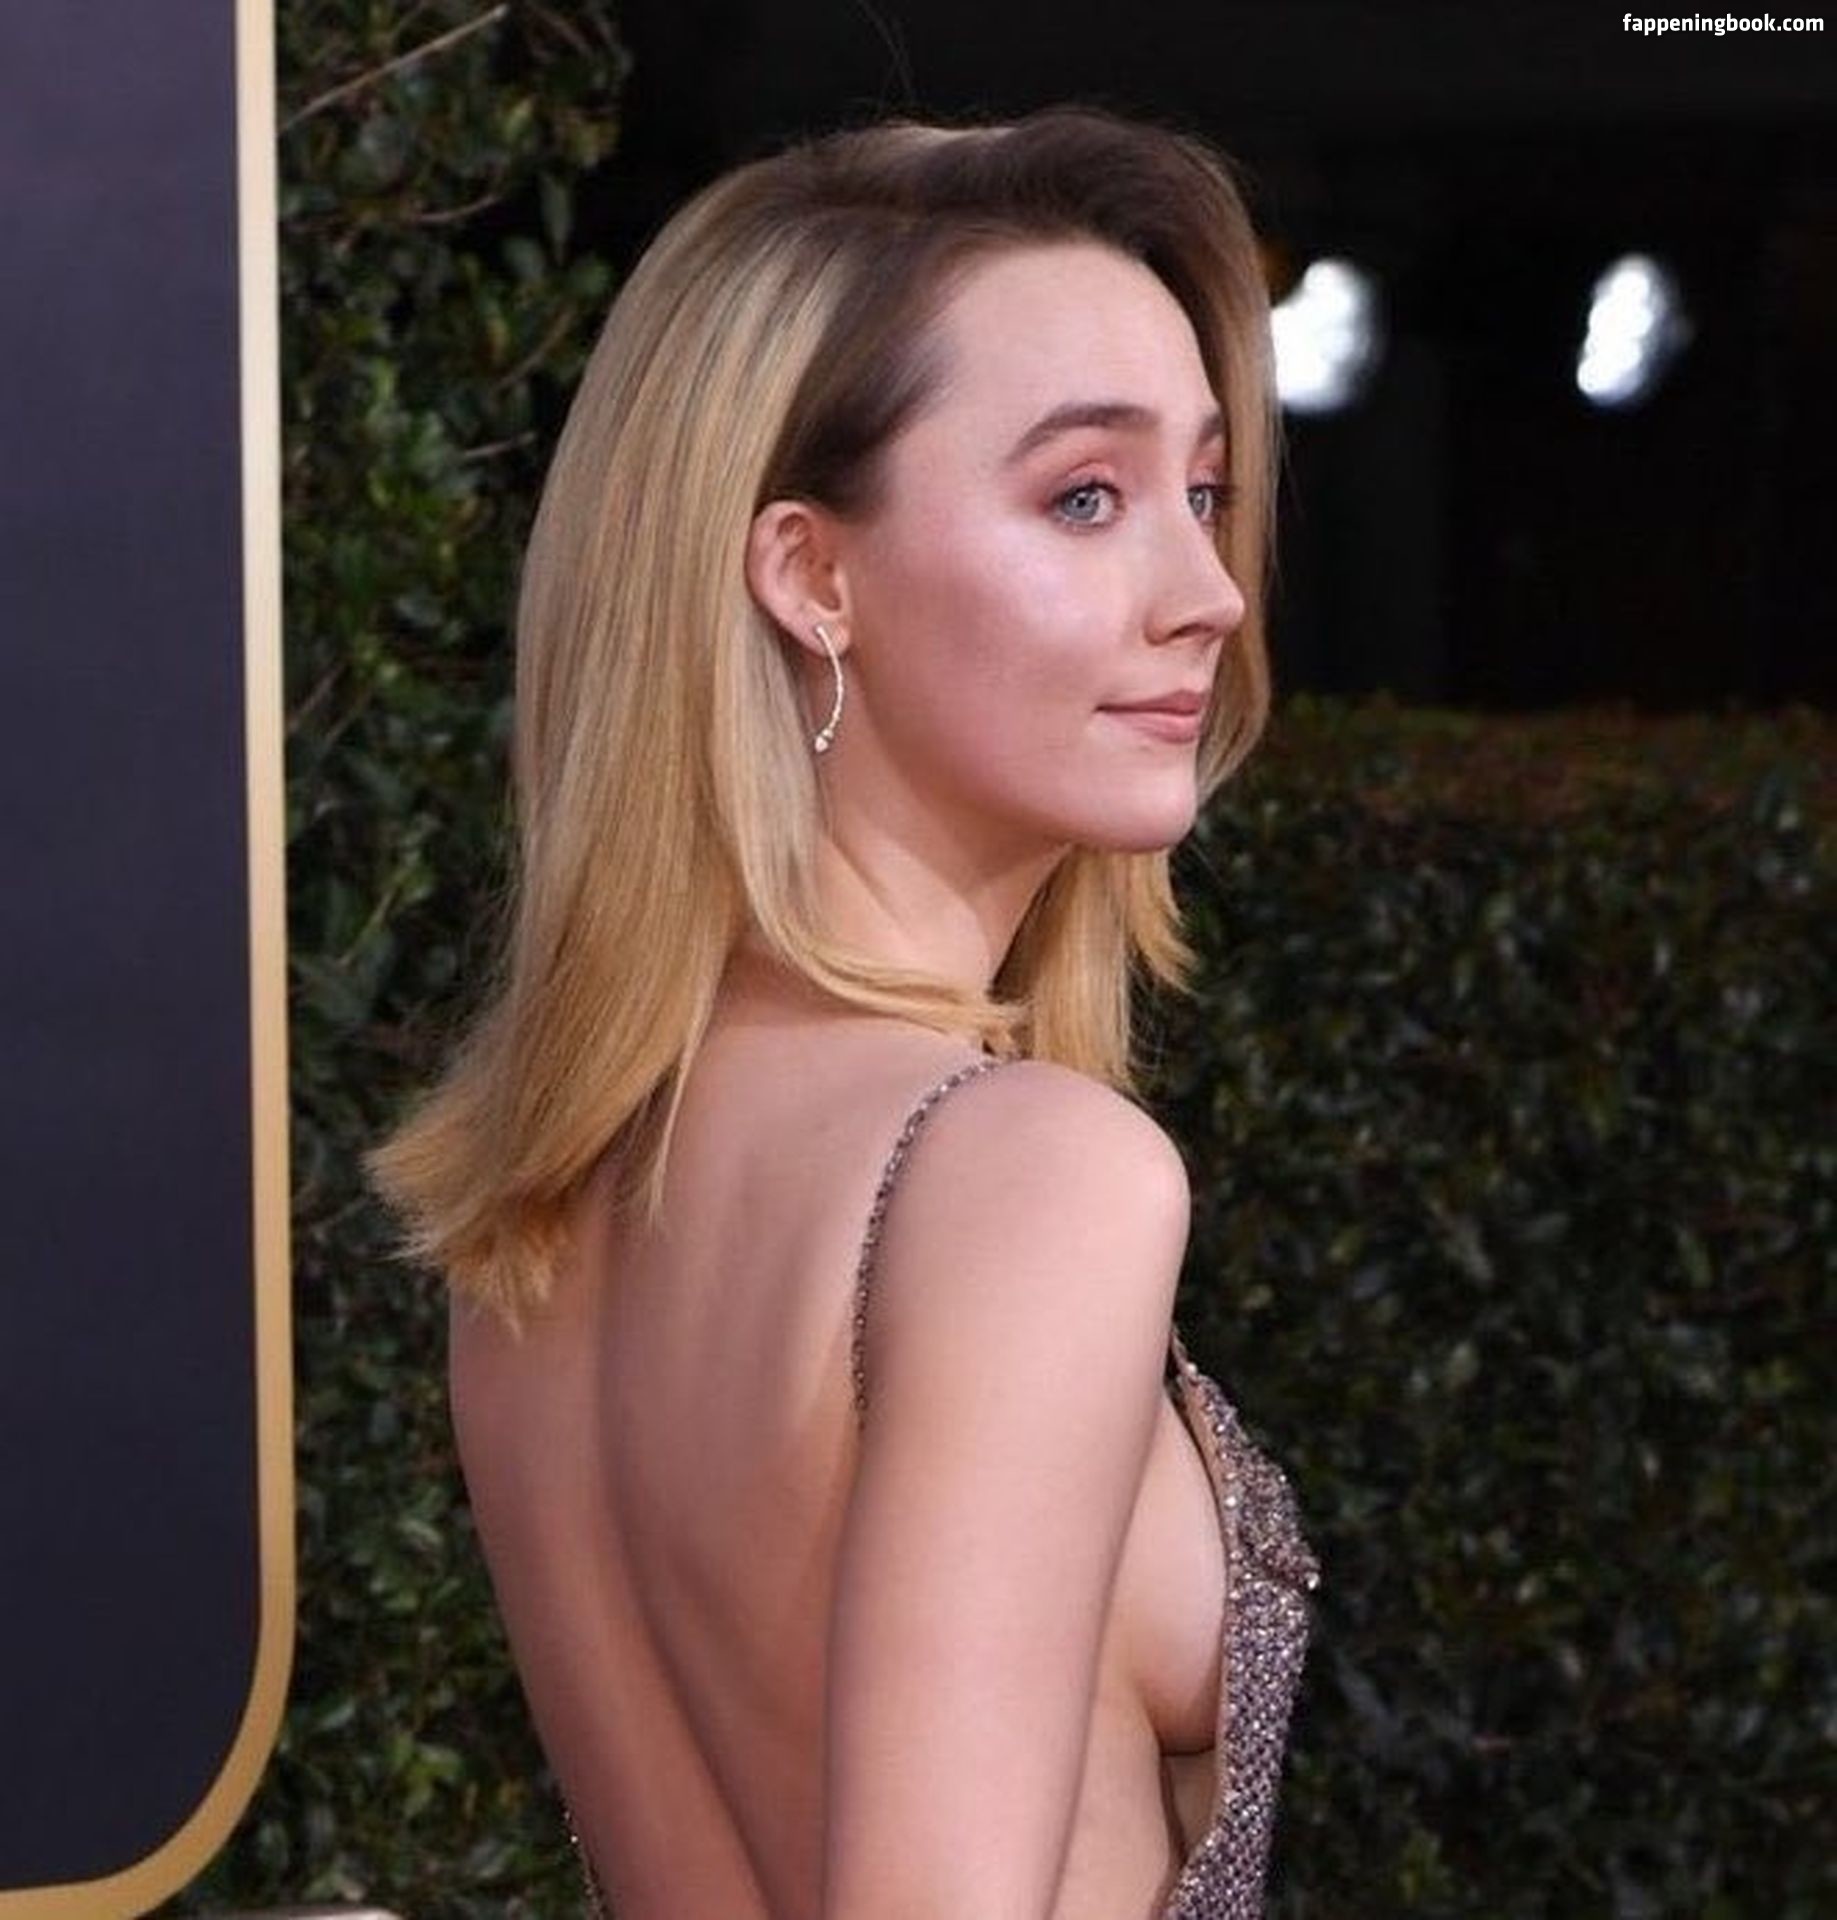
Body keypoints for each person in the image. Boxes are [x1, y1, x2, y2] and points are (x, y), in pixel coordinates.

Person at [367, 105, 1319, 1920]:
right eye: (1086, 498)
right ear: (811, 576)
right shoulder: (1029, 1177)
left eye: (1201, 494)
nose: (1206, 596)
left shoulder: (547, 1230)